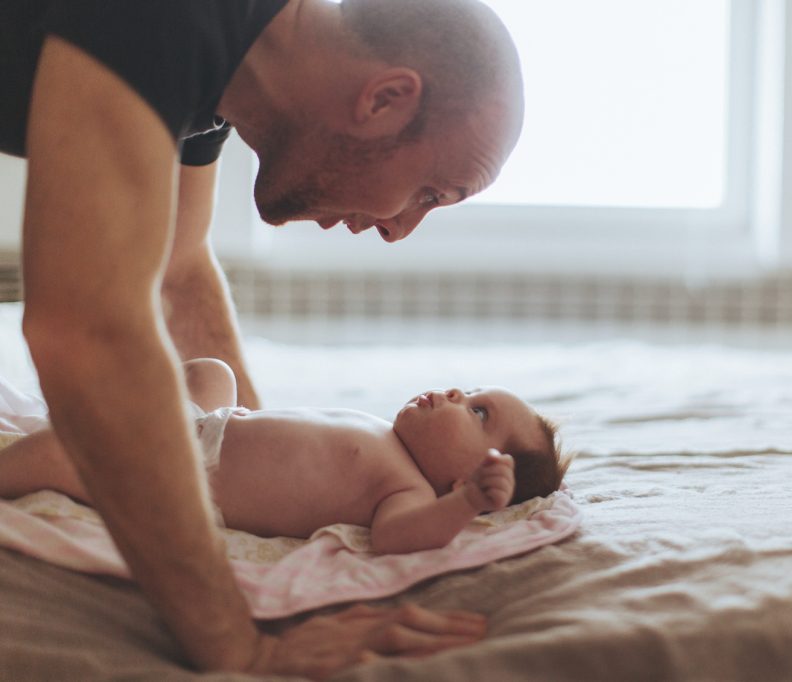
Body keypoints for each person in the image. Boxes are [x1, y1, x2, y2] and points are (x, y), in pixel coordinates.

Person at [0, 0, 525, 676]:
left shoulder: (218, 70)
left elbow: (179, 263)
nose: (400, 230)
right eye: (429, 191)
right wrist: (236, 643)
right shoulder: (170, 19)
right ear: (386, 99)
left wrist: (255, 448)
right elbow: (87, 333)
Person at [0, 359, 569, 550]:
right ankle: (76, 408)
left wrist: (468, 505)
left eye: (475, 413)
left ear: (464, 479)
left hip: (179, 475)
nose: (453, 393)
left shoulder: (409, 494)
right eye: (468, 391)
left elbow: (401, 537)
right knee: (212, 373)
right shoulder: (387, 439)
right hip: (202, 427)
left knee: (70, 452)